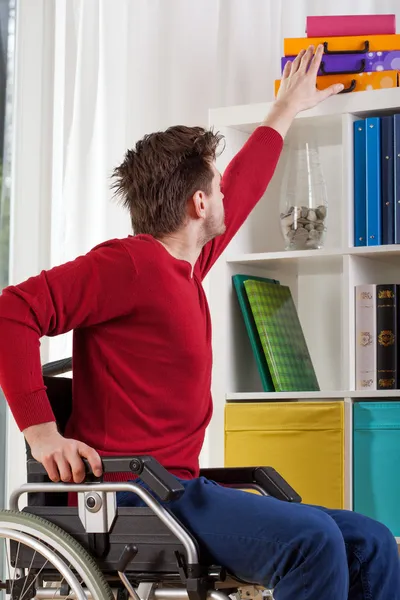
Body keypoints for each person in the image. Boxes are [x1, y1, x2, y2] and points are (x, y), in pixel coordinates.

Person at [0, 44, 398, 599]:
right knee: (311, 541)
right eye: (214, 187)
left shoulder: (183, 266)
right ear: (197, 205)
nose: (223, 194)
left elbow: (245, 183)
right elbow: (11, 310)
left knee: (372, 540)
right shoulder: (130, 264)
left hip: (183, 488)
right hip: (138, 497)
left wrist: (284, 111)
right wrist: (42, 433)